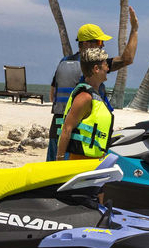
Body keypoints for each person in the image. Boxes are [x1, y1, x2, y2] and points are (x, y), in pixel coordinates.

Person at [47, 9, 138, 160]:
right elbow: (127, 59)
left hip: (56, 131)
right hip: (75, 139)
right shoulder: (92, 66)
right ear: (86, 44)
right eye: (100, 42)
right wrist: (134, 30)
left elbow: (52, 95)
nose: (102, 47)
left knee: (51, 177)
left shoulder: (63, 63)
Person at [55, 46, 115, 160]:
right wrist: (59, 161)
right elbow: (67, 129)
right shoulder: (85, 97)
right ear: (96, 68)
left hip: (94, 161)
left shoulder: (95, 96)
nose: (108, 68)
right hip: (80, 161)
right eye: (106, 64)